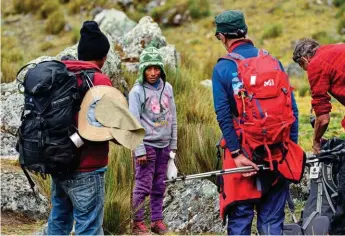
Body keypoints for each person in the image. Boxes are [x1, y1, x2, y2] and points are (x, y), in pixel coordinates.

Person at [212, 10, 299, 235]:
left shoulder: (222, 67)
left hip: (242, 157)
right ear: (245, 31)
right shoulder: (272, 61)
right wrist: (289, 148)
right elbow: (293, 110)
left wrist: (237, 153)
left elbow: (223, 115)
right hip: (278, 154)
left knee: (240, 220)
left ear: (222, 36)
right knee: (271, 222)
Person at [47, 21, 112, 235]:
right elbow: (113, 124)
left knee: (58, 224)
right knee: (89, 228)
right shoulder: (100, 80)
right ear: (103, 56)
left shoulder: (60, 76)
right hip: (88, 168)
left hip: (58, 163)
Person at [129, 43, 178, 235]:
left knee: (159, 185)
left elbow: (173, 118)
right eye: (148, 68)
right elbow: (133, 122)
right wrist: (138, 149)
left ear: (161, 69)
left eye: (156, 68)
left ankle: (157, 221)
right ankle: (137, 223)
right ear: (142, 69)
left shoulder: (168, 89)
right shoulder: (137, 92)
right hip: (146, 146)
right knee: (142, 185)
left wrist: (173, 147)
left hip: (164, 146)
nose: (153, 72)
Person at [293, 39, 345, 153]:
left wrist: (316, 142)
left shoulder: (315, 64)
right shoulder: (332, 51)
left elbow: (323, 119)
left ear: (303, 60)